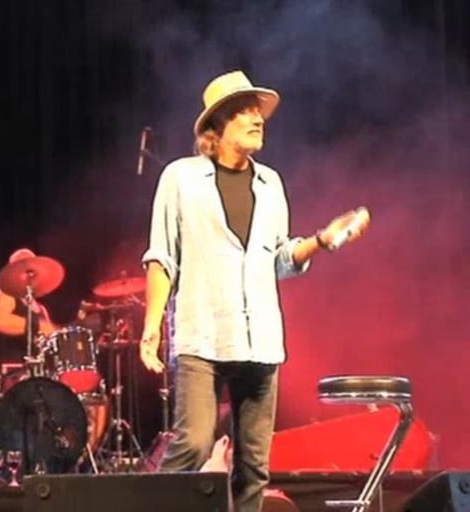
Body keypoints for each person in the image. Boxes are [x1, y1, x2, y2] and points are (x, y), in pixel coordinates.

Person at [139, 70, 370, 512]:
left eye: (258, 112)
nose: (257, 119)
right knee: (193, 443)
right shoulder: (181, 178)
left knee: (253, 466)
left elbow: (280, 258)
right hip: (202, 334)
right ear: (218, 124)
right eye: (245, 111)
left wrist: (321, 240)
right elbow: (162, 256)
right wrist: (152, 327)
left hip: (260, 339)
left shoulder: (270, 184)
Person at [0, 248, 58, 375]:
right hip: (12, 373)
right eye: (25, 270)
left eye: (33, 271)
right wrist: (39, 326)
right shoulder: (4, 294)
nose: (30, 275)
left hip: (39, 373)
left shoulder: (41, 309)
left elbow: (50, 337)